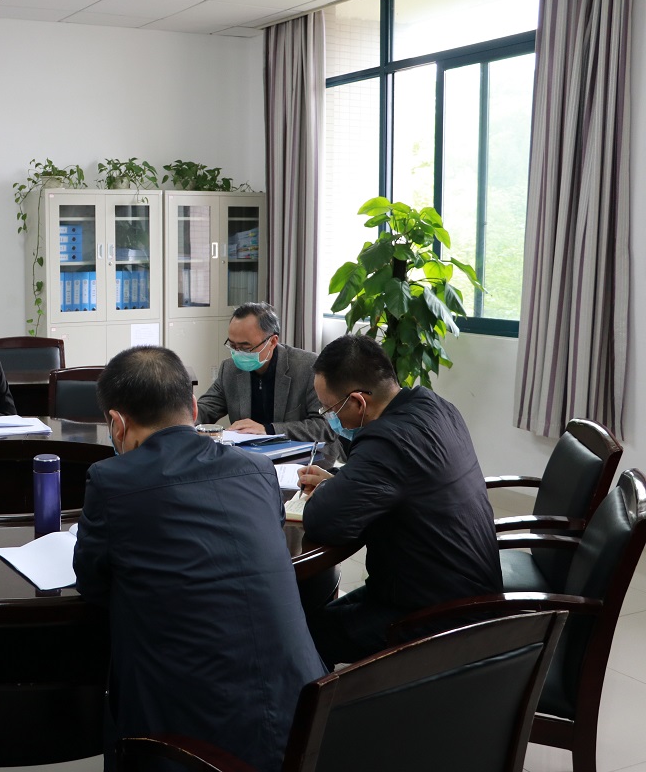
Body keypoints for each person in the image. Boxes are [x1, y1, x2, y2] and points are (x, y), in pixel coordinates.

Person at [73, 346, 325, 772]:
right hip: (304, 713)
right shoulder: (258, 470)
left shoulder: (111, 481)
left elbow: (93, 583)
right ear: (193, 407)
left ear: (116, 423)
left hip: (195, 740)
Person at [298, 334, 501, 665]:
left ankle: (329, 699)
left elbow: (323, 522)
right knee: (316, 618)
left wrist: (328, 491)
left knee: (304, 636)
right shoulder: (435, 405)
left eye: (330, 409)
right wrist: (341, 484)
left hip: (439, 617)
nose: (330, 419)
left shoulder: (386, 441)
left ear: (359, 402)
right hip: (463, 591)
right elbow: (400, 484)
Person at [197, 302, 338, 461]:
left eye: (245, 347)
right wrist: (183, 421)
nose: (237, 353)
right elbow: (204, 409)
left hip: (305, 461)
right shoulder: (229, 369)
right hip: (250, 460)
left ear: (272, 341)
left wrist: (269, 430)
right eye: (232, 345)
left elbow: (325, 427)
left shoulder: (308, 367)